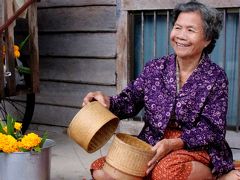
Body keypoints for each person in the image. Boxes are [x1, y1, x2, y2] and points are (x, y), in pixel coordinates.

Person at [82, 1, 240, 179]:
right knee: (102, 170)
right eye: (178, 27)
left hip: (194, 146)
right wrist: (107, 102)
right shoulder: (155, 68)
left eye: (190, 30)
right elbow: (129, 101)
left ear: (207, 39)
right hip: (153, 141)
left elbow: (213, 129)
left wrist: (175, 143)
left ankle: (213, 176)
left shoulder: (215, 77)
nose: (181, 35)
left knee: (165, 173)